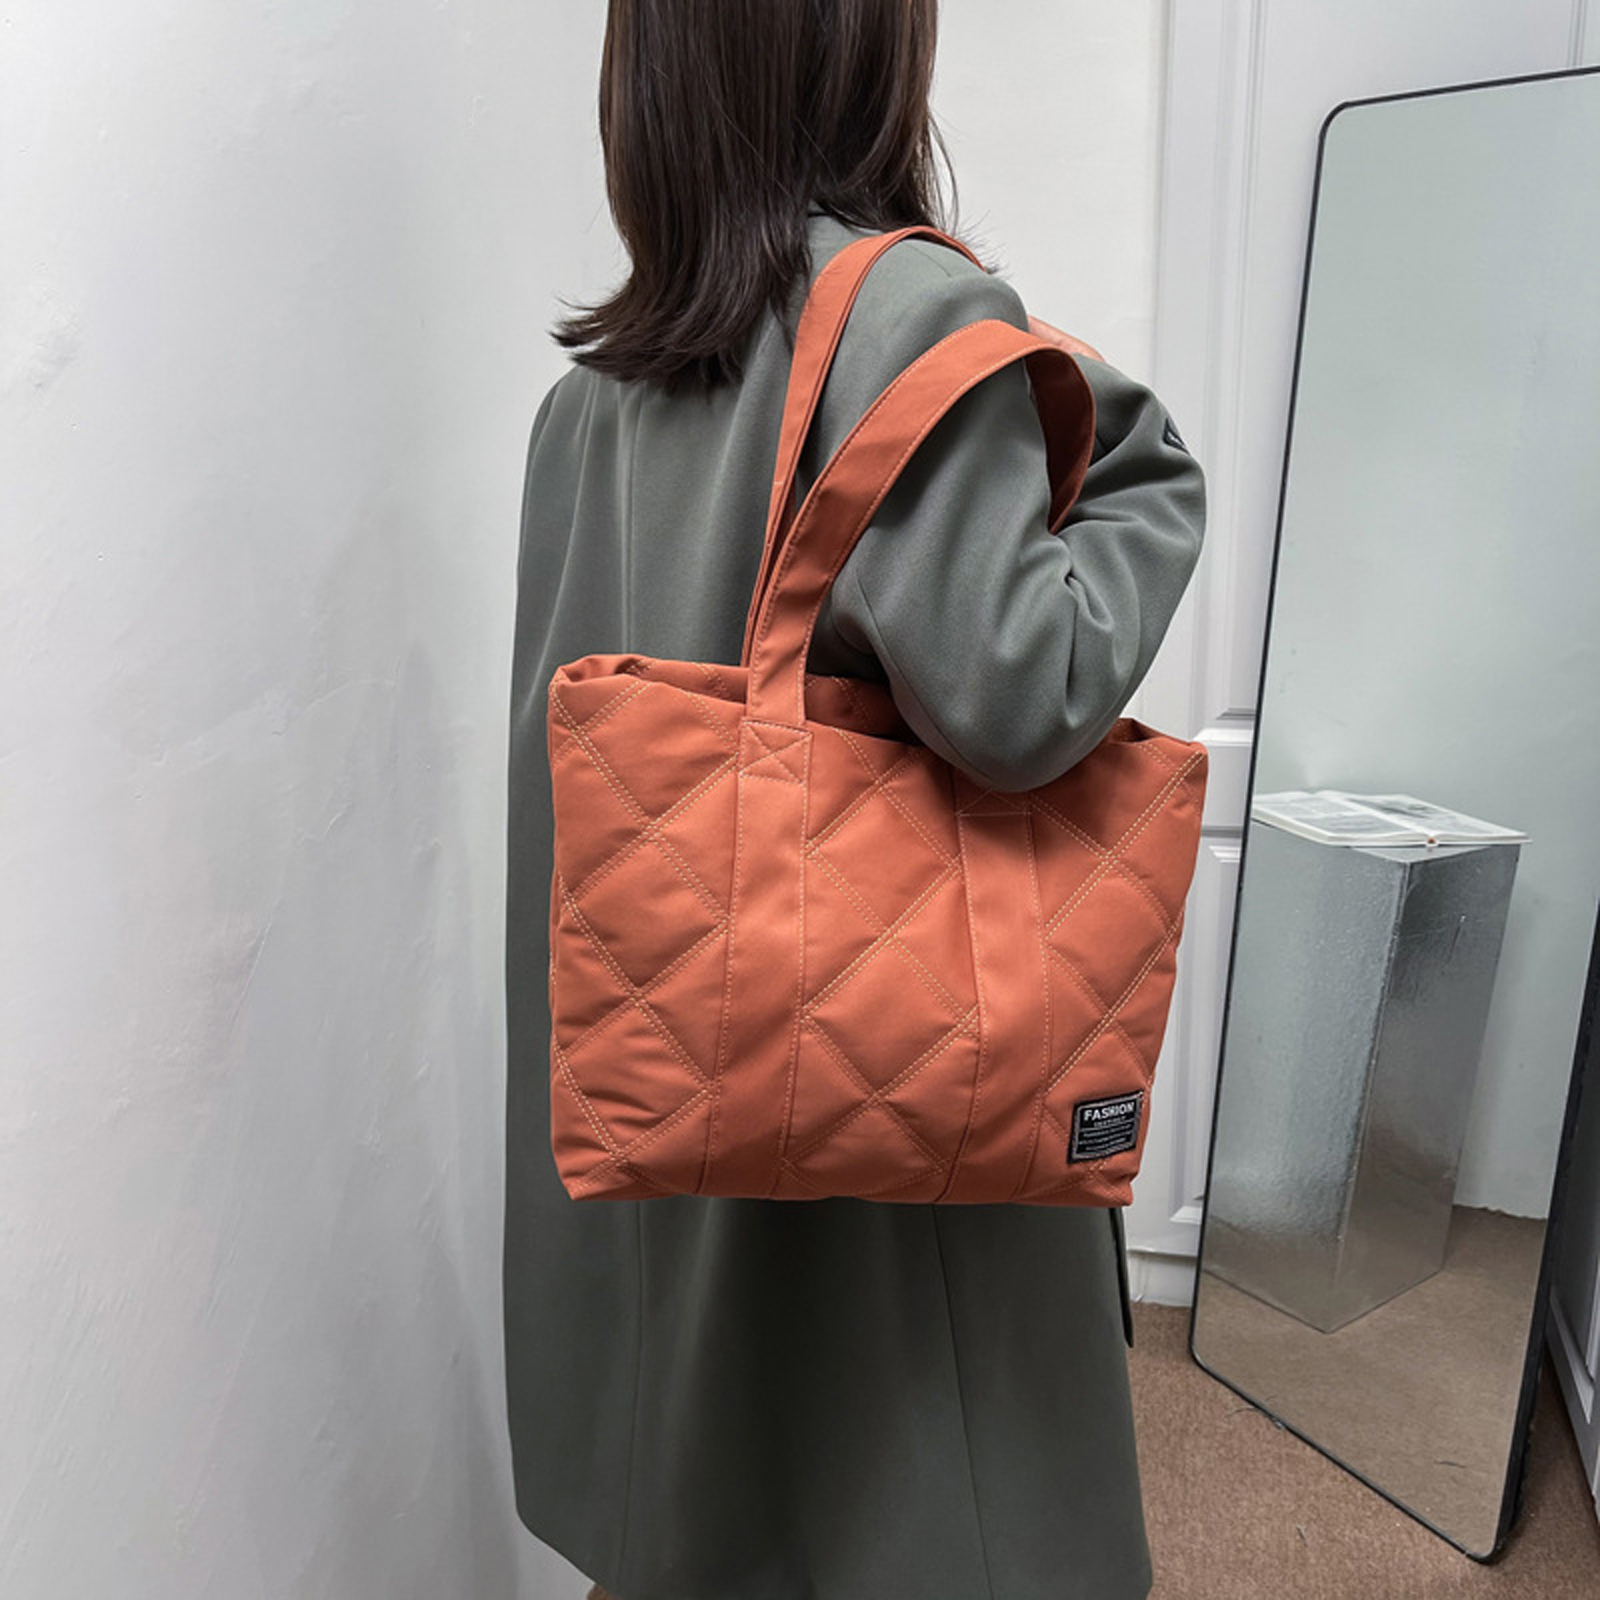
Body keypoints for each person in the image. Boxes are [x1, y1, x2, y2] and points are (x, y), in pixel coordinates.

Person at [503, 3, 1205, 1597]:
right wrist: (1135, 452)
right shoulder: (908, 317)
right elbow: (1024, 693)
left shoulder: (590, 397)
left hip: (667, 1093)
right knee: (901, 1509)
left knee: (714, 1506)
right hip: (883, 1143)